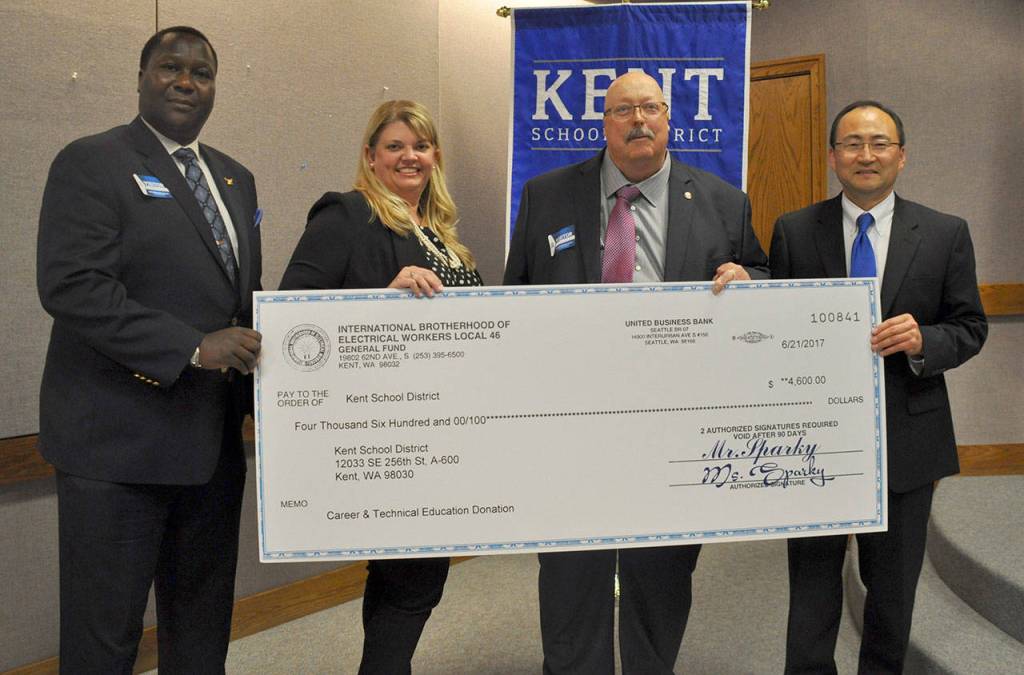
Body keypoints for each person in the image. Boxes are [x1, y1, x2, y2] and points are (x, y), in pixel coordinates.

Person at [504, 71, 769, 674]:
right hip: (571, 423)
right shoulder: (546, 195)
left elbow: (761, 275)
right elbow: (516, 295)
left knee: (661, 573)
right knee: (571, 572)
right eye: (624, 110)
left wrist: (750, 280)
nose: (639, 121)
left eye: (650, 108)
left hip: (674, 425)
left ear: (669, 119)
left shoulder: (723, 201)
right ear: (604, 123)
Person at [36, 26, 261, 673]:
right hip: (117, 453)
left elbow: (239, 303)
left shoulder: (235, 179)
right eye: (170, 67)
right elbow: (72, 286)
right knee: (105, 641)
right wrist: (192, 346)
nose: (187, 82)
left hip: (210, 451)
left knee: (200, 636)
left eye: (202, 72)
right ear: (141, 77)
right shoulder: (92, 161)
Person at [770, 100, 987, 674]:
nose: (866, 155)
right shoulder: (794, 230)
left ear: (902, 156)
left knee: (892, 593)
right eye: (852, 144)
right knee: (811, 589)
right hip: (812, 443)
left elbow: (970, 327)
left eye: (879, 143)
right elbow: (774, 327)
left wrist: (923, 342)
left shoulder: (944, 232)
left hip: (908, 440)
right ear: (832, 157)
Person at [279, 100, 481, 674]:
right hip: (387, 428)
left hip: (442, 428)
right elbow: (292, 316)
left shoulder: (440, 232)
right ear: (370, 157)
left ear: (435, 156)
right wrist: (380, 298)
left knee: (415, 576)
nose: (409, 156)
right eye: (395, 146)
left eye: (420, 146)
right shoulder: (348, 214)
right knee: (411, 577)